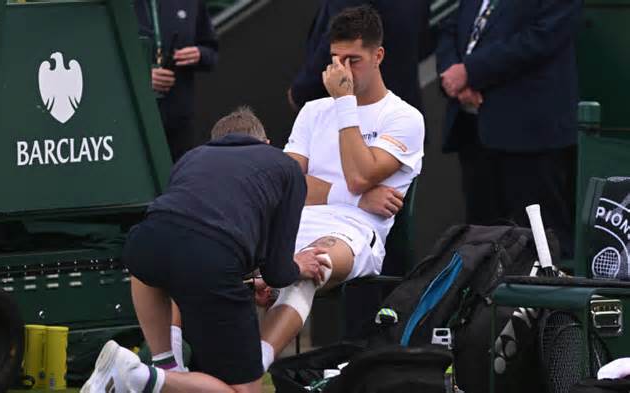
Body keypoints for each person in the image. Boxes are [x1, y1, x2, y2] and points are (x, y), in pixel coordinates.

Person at [81, 108, 331, 393]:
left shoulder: (192, 158)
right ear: (266, 144)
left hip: (144, 248)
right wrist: (299, 265)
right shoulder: (285, 167)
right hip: (207, 259)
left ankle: (162, 369)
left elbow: (184, 229)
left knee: (153, 270)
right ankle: (139, 377)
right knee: (245, 391)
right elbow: (277, 272)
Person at [259, 5, 425, 371]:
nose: (343, 72)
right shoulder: (313, 111)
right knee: (211, 254)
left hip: (353, 234)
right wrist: (356, 197)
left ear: (378, 55)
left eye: (354, 60)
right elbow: (284, 186)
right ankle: (172, 364)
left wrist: (345, 103)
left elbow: (359, 175)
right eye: (336, 60)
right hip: (295, 221)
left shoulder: (404, 117)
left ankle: (254, 364)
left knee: (307, 267)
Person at [436, 0, 582, 258]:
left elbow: (542, 37)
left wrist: (471, 72)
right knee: (481, 244)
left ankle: (542, 299)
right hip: (474, 131)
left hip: (531, 136)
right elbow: (450, 26)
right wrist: (455, 77)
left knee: (541, 245)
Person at [288, 0, 430, 112]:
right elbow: (422, 40)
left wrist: (301, 93)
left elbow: (340, 42)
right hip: (402, 103)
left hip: (360, 116)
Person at [134, 0, 219, 162]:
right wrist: (140, 77)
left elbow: (211, 52)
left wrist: (199, 54)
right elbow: (102, 57)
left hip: (179, 119)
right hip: (134, 118)